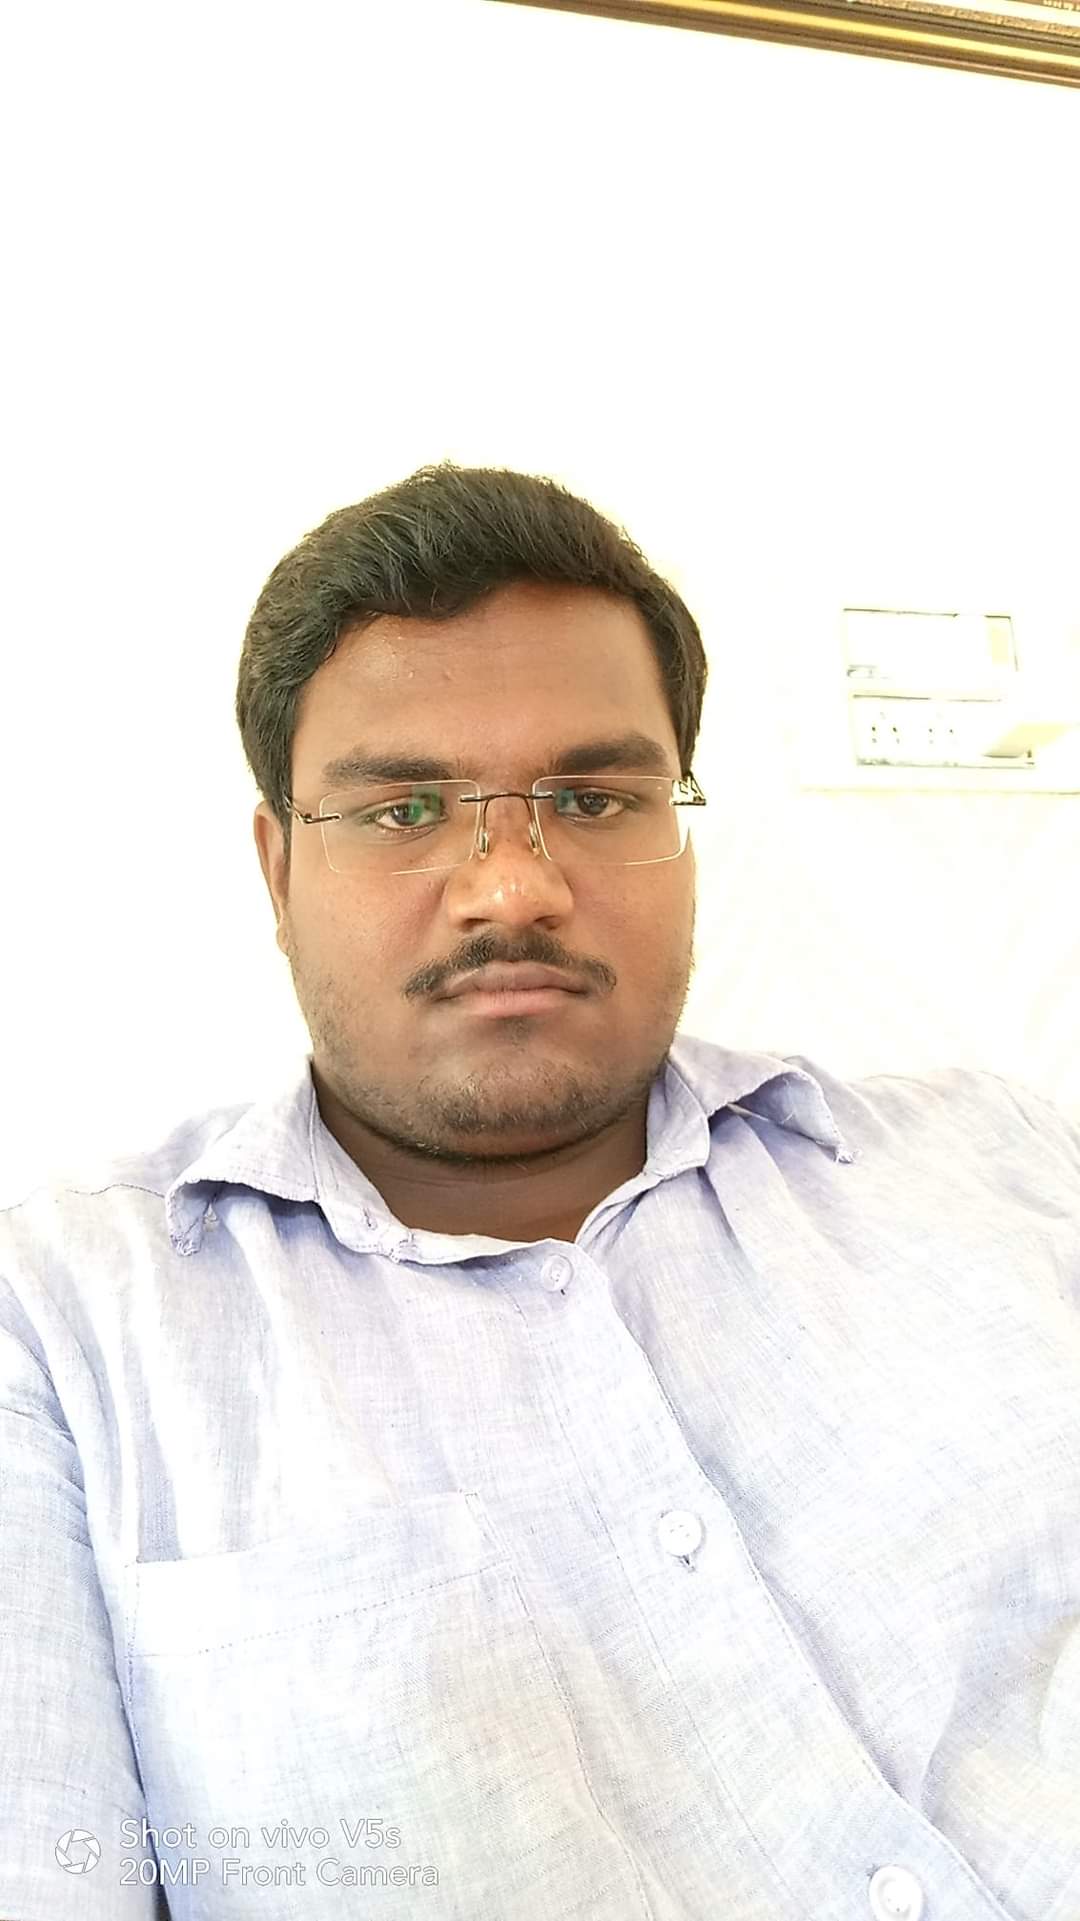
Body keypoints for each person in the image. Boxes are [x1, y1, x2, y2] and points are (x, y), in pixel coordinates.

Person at [1, 461, 1078, 1921]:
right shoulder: (60, 1334)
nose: (512, 888)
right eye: (403, 808)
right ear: (276, 869)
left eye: (591, 796)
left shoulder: (1008, 1166)